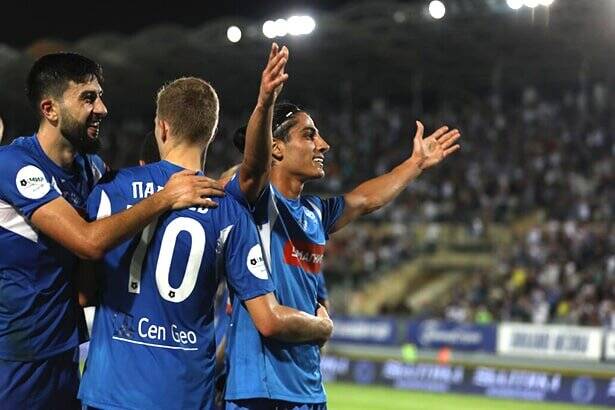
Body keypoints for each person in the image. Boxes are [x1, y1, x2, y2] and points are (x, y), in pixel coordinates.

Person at [79, 47, 333, 410]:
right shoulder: (228, 210)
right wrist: (321, 325)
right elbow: (267, 316)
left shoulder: (111, 188)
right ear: (211, 134)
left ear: (162, 127)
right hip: (186, 394)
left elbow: (83, 292)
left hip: (111, 391)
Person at [0, 52, 222, 410]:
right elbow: (87, 242)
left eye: (100, 97)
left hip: (65, 354)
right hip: (15, 357)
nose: (101, 109)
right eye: (88, 98)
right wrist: (164, 197)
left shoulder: (91, 169)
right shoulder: (13, 164)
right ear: (50, 109)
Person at [225, 101, 461, 408]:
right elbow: (252, 167)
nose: (323, 145)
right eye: (309, 135)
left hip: (309, 389)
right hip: (262, 390)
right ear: (277, 149)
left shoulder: (315, 212)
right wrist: (266, 99)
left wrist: (415, 164)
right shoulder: (255, 203)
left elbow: (365, 200)